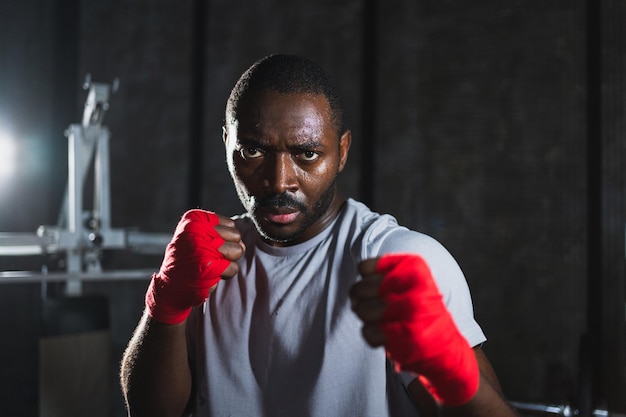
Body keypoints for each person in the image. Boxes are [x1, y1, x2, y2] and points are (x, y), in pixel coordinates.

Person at [120, 54, 518, 417]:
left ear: (341, 151)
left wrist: (445, 365)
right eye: (253, 151)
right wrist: (165, 304)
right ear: (227, 144)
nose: (279, 181)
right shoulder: (206, 260)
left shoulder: (400, 259)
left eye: (307, 154)